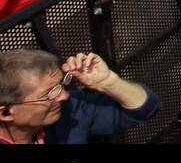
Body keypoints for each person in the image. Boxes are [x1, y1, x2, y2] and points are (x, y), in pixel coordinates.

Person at [0, 49, 159, 144]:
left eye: (61, 84)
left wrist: (108, 82)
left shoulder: (67, 111)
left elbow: (145, 109)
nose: (63, 96)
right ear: (6, 113)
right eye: (49, 94)